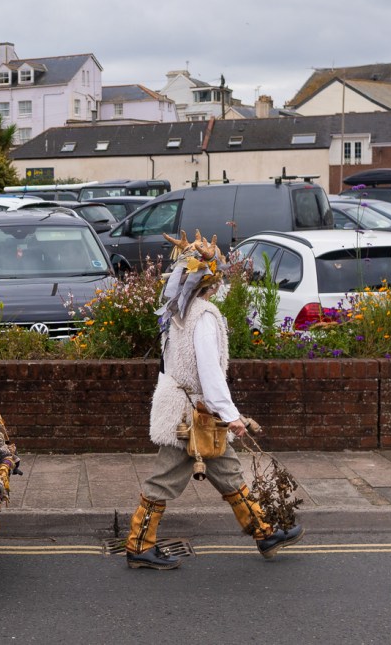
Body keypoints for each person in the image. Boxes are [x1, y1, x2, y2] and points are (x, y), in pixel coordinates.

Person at [125, 230, 303, 570]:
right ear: (212, 282)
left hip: (188, 409)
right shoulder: (204, 315)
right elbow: (209, 371)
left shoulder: (177, 309)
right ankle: (138, 545)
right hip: (191, 415)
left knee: (227, 468)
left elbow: (170, 364)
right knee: (164, 479)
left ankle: (264, 532)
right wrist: (231, 414)